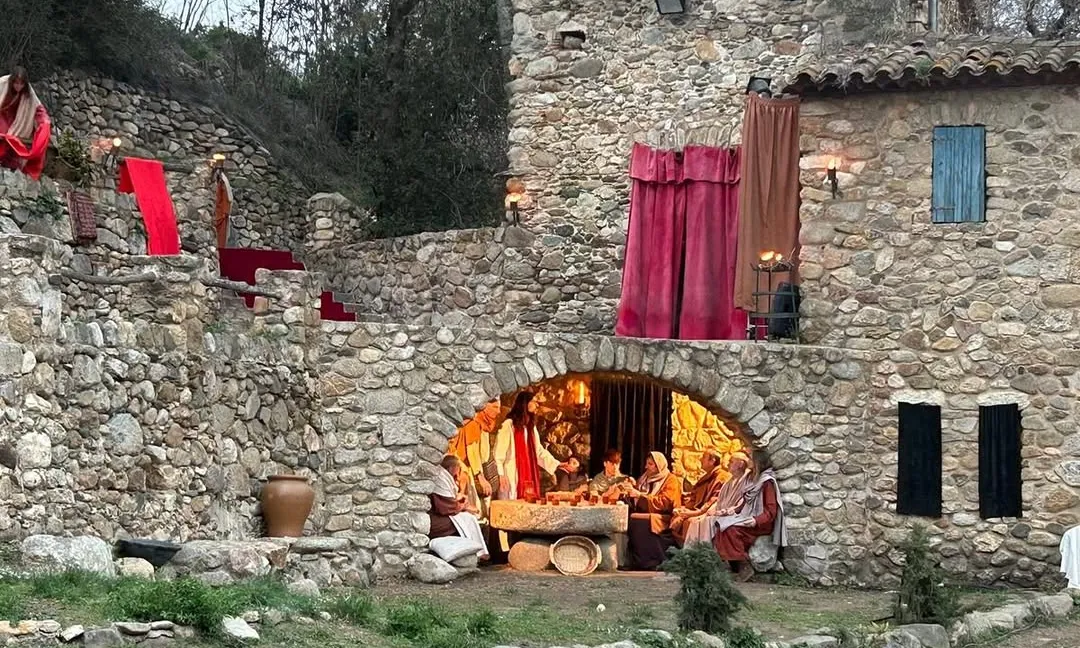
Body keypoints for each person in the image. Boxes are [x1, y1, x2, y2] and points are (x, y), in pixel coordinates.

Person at [712, 450, 788, 582]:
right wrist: (733, 512)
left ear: (758, 462)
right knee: (720, 525)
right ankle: (733, 565)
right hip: (747, 515)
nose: (749, 461)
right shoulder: (750, 478)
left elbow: (771, 510)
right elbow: (745, 502)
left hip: (762, 522)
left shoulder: (766, 482)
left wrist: (755, 520)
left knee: (731, 530)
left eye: (751, 459)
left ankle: (744, 565)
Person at [492, 391, 572, 501]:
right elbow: (498, 454)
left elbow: (538, 451)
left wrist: (557, 464)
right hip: (510, 475)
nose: (537, 405)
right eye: (534, 401)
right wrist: (500, 475)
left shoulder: (530, 428)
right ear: (525, 404)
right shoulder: (509, 425)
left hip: (527, 475)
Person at [622, 451, 683, 570]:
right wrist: (631, 490)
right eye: (646, 464)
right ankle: (635, 560)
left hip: (664, 516)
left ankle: (650, 562)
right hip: (646, 512)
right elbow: (639, 493)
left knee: (639, 521)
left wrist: (640, 496)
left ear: (658, 465)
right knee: (629, 516)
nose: (646, 467)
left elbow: (665, 502)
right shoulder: (645, 477)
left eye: (650, 464)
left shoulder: (671, 480)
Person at [679, 451, 754, 547]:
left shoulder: (745, 481)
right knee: (696, 523)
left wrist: (721, 512)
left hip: (733, 516)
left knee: (705, 522)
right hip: (719, 512)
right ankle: (693, 555)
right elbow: (719, 501)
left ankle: (707, 554)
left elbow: (741, 504)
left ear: (740, 464)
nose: (727, 464)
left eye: (731, 462)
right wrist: (709, 511)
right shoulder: (730, 481)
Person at [428, 455, 490, 560]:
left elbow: (449, 498)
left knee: (469, 517)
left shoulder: (447, 477)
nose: (458, 473)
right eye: (457, 469)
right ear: (452, 468)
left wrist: (459, 500)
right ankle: (478, 552)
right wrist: (463, 506)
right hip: (434, 520)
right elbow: (444, 507)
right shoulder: (441, 478)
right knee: (467, 518)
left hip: (441, 514)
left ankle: (479, 551)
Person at [448, 399, 502, 518]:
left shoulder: (482, 424)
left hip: (469, 468)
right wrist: (480, 477)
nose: (498, 411)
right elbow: (472, 452)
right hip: (463, 467)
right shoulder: (473, 423)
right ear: (485, 407)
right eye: (494, 407)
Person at [670, 449, 729, 546]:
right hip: (700, 510)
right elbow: (695, 495)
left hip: (710, 514)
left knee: (690, 522)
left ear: (712, 461)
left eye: (704, 457)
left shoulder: (722, 477)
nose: (701, 460)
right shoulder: (707, 476)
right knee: (677, 515)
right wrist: (685, 508)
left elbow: (715, 501)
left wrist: (694, 513)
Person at [0, 67, 50, 180]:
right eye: (16, 83)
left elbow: (38, 109)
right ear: (12, 81)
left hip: (16, 123)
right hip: (2, 118)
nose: (18, 86)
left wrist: (45, 123)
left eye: (21, 84)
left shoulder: (29, 92)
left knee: (12, 142)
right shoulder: (2, 83)